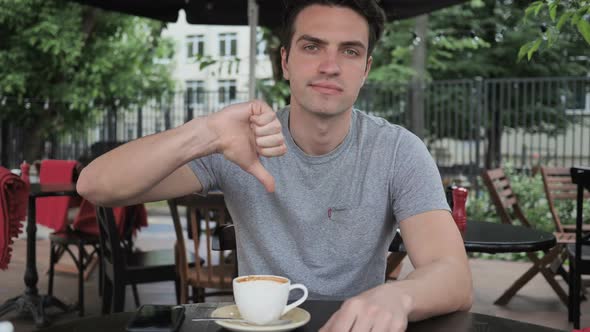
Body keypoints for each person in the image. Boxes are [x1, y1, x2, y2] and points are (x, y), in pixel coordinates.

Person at [77, 0, 473, 330]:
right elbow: (96, 186)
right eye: (312, 46)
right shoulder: (239, 140)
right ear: (285, 61)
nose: (330, 65)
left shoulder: (397, 150)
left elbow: (452, 274)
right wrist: (205, 133)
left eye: (349, 51)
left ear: (366, 69)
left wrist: (397, 296)